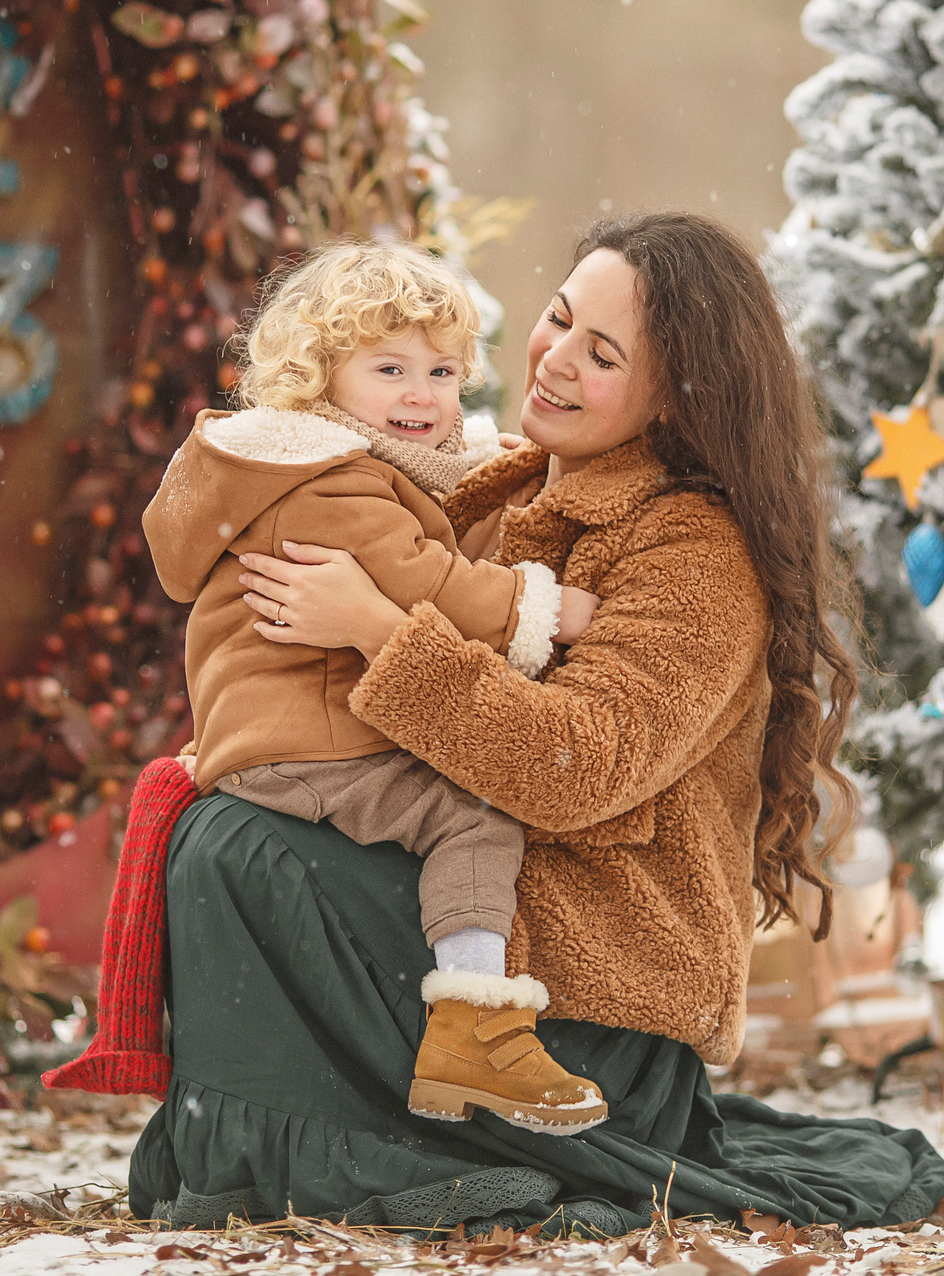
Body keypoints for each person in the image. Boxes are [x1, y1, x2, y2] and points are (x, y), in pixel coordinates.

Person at [125, 212, 944, 1234]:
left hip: (589, 1000)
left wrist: (375, 627)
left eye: (602, 355)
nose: (555, 358)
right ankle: (282, 1145)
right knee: (225, 828)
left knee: (251, 850)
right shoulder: (498, 484)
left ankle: (356, 1146)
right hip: (489, 917)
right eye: (558, 319)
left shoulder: (694, 551)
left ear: (676, 396)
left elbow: (575, 764)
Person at [143, 242, 608, 1132]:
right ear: (319, 376)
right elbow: (425, 576)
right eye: (390, 369)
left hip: (272, 732)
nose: (421, 395)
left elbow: (429, 498)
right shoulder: (329, 482)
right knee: (475, 813)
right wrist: (543, 605)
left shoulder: (295, 458)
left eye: (441, 372)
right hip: (312, 740)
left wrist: (489, 460)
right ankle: (476, 1025)